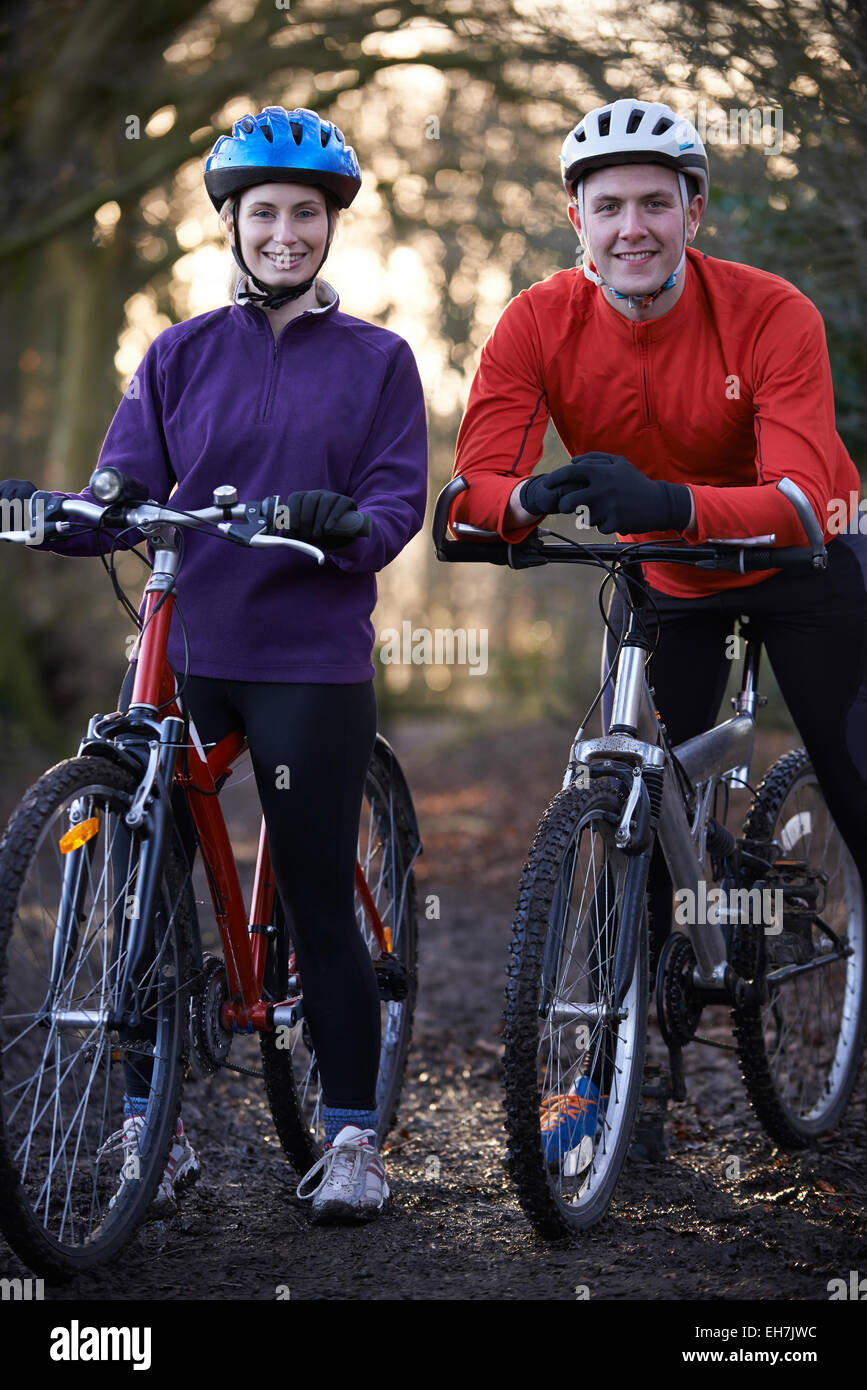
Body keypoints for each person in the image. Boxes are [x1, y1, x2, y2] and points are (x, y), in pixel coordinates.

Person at [0, 105, 428, 1223]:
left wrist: (345, 523)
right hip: (187, 643)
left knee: (320, 897)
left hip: (308, 658)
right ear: (230, 224)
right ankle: (152, 1118)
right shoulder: (178, 354)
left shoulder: (379, 360)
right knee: (146, 888)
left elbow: (393, 504)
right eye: (262, 214)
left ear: (330, 224)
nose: (284, 232)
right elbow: (123, 492)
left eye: (303, 213)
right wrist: (58, 515)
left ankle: (348, 1137)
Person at [449, 96, 867, 1144]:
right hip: (669, 578)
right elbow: (472, 488)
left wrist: (671, 502)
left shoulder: (770, 313)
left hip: (809, 565)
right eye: (607, 206)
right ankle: (608, 1079)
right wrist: (528, 499)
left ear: (693, 211)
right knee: (632, 805)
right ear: (576, 223)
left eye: (653, 202)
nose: (631, 226)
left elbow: (806, 496)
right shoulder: (539, 321)